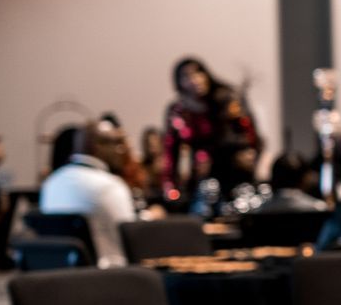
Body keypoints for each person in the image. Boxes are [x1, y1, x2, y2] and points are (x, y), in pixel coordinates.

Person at [39, 118, 141, 265]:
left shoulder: (51, 183)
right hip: (111, 277)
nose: (122, 150)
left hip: (60, 276)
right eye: (115, 143)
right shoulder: (109, 186)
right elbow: (131, 237)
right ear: (95, 146)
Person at [161, 57, 260, 202]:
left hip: (233, 169)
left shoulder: (226, 98)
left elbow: (248, 135)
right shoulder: (178, 111)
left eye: (198, 73)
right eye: (187, 76)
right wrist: (170, 188)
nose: (195, 80)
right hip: (200, 178)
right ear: (179, 83)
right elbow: (171, 151)